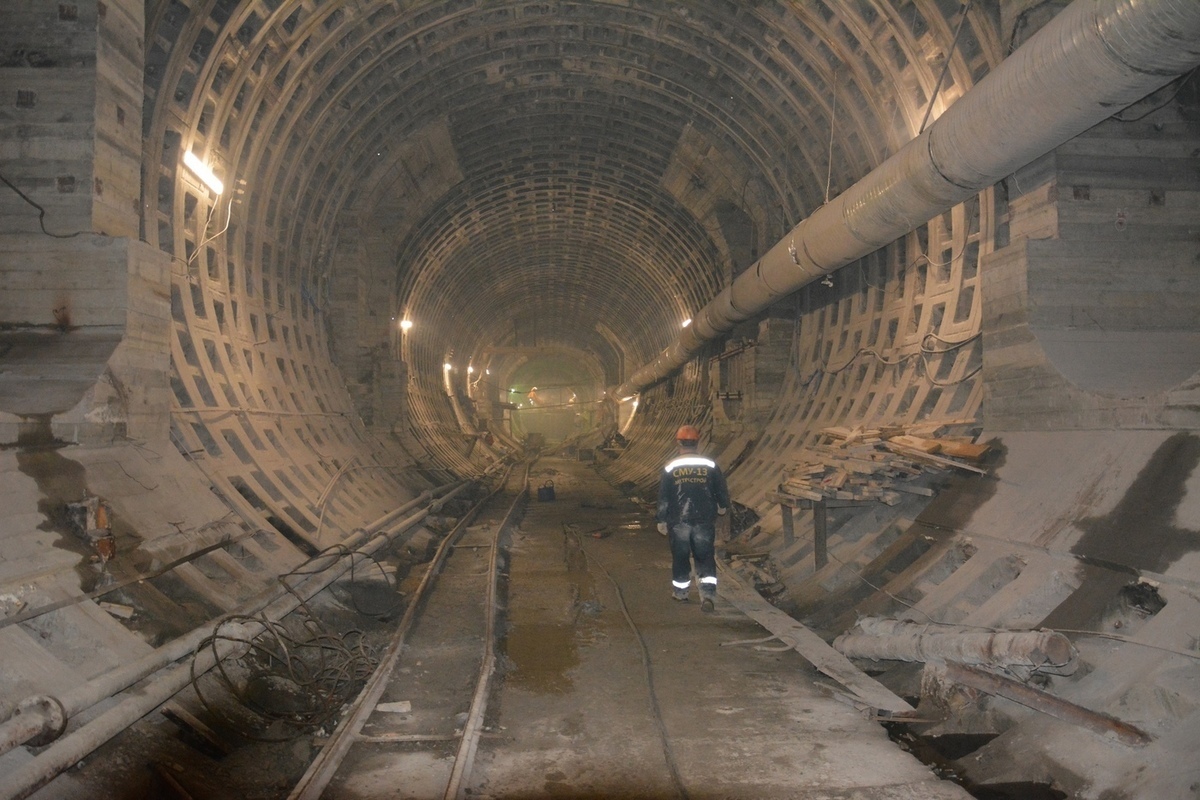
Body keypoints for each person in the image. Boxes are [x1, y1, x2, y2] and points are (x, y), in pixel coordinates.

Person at [656, 424, 730, 612]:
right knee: (705, 556)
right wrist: (723, 506)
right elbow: (721, 489)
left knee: (680, 556)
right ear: (698, 442)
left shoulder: (670, 467)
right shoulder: (710, 465)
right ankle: (707, 594)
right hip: (704, 518)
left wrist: (661, 519)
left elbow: (664, 497)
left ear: (678, 442)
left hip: (678, 520)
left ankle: (681, 593)